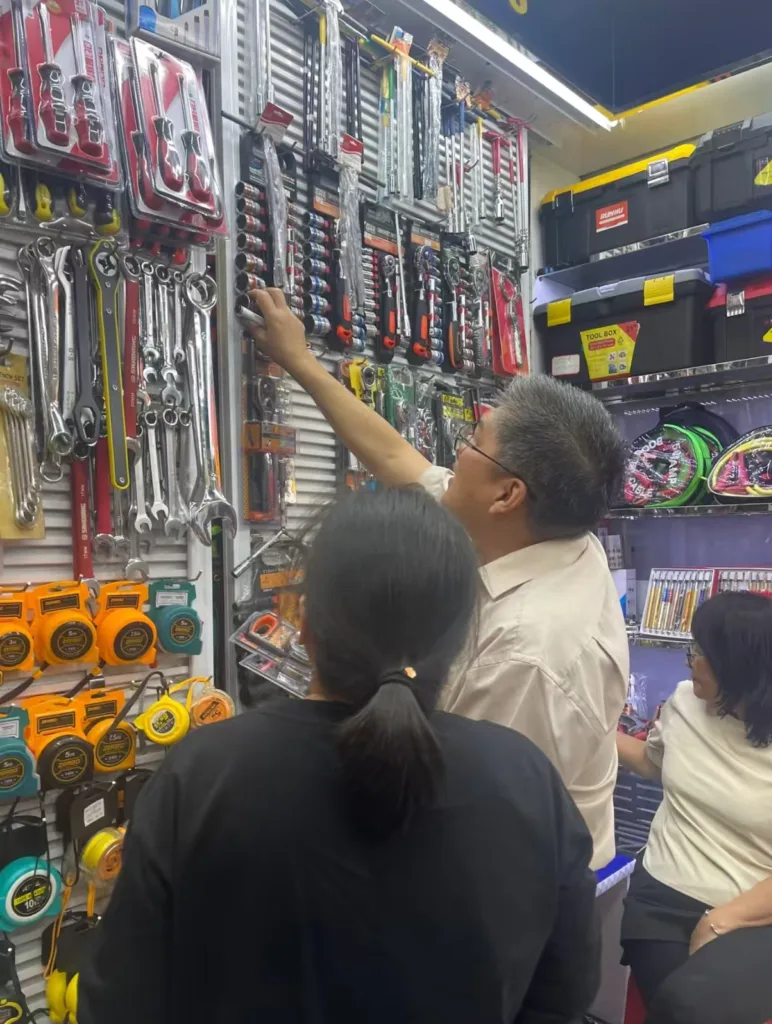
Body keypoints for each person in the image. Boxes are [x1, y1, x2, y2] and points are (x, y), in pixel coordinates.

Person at [79, 488, 600, 1024]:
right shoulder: (525, 780)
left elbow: (120, 1000)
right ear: (460, 640)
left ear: (304, 627)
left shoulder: (204, 775)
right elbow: (561, 998)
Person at [248, 287, 628, 871]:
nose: (458, 450)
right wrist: (301, 362)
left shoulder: (529, 654)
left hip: (507, 878)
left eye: (475, 443)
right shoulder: (550, 532)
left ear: (507, 495)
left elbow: (465, 806)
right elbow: (400, 461)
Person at [617, 591, 772, 1024]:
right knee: (682, 1005)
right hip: (662, 898)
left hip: (767, 919)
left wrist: (720, 921)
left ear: (741, 665)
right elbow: (651, 762)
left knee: (693, 1006)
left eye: (700, 653)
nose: (689, 661)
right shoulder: (684, 704)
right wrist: (579, 725)